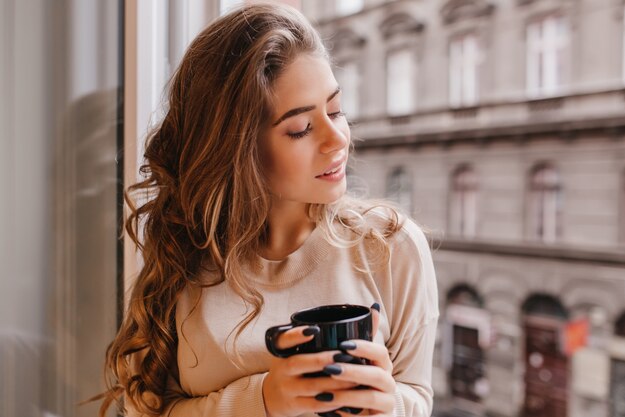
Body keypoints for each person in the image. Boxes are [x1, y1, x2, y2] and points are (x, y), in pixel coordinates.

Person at [98, 3, 439, 417]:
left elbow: (417, 398)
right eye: (300, 129)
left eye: (335, 110)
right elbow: (145, 410)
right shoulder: (184, 250)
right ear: (237, 149)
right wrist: (261, 401)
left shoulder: (390, 247)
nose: (337, 140)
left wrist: (388, 404)